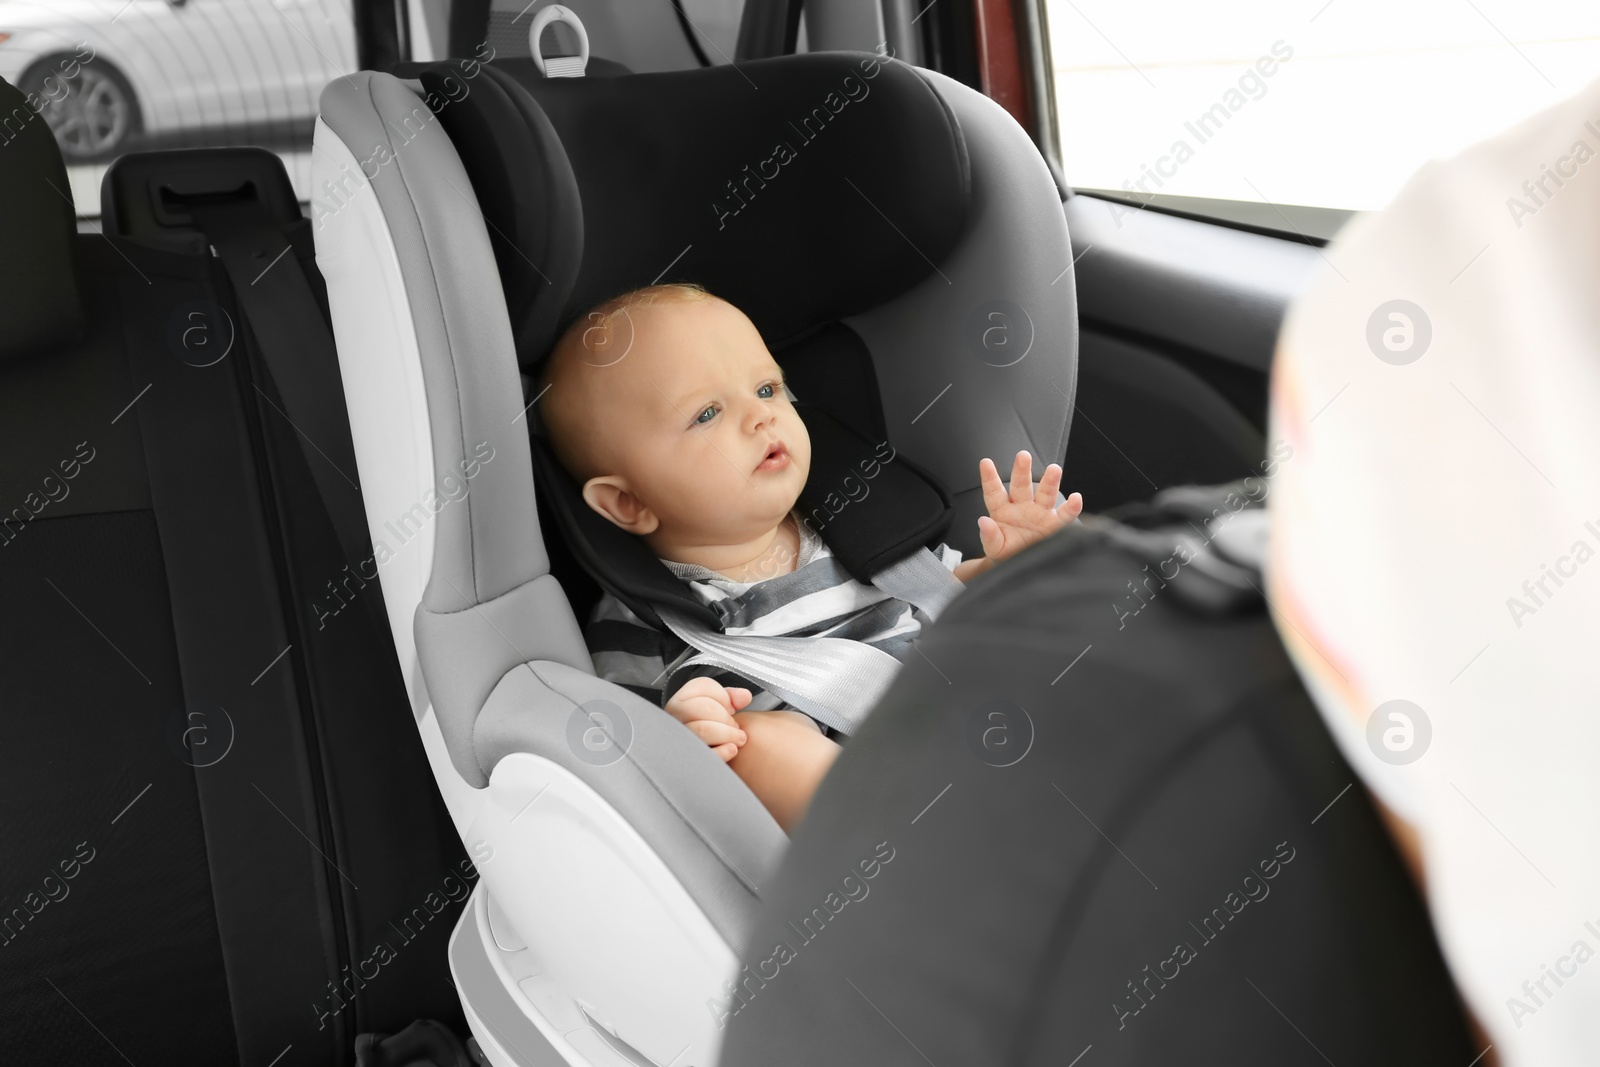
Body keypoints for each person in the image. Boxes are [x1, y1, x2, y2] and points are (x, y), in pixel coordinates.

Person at [535, 282, 1083, 830]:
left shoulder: (855, 529)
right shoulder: (649, 617)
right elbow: (622, 752)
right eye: (706, 414)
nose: (761, 417)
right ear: (628, 502)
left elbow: (935, 600)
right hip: (859, 793)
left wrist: (1001, 566)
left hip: (959, 720)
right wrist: (682, 727)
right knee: (755, 745)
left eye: (768, 389)